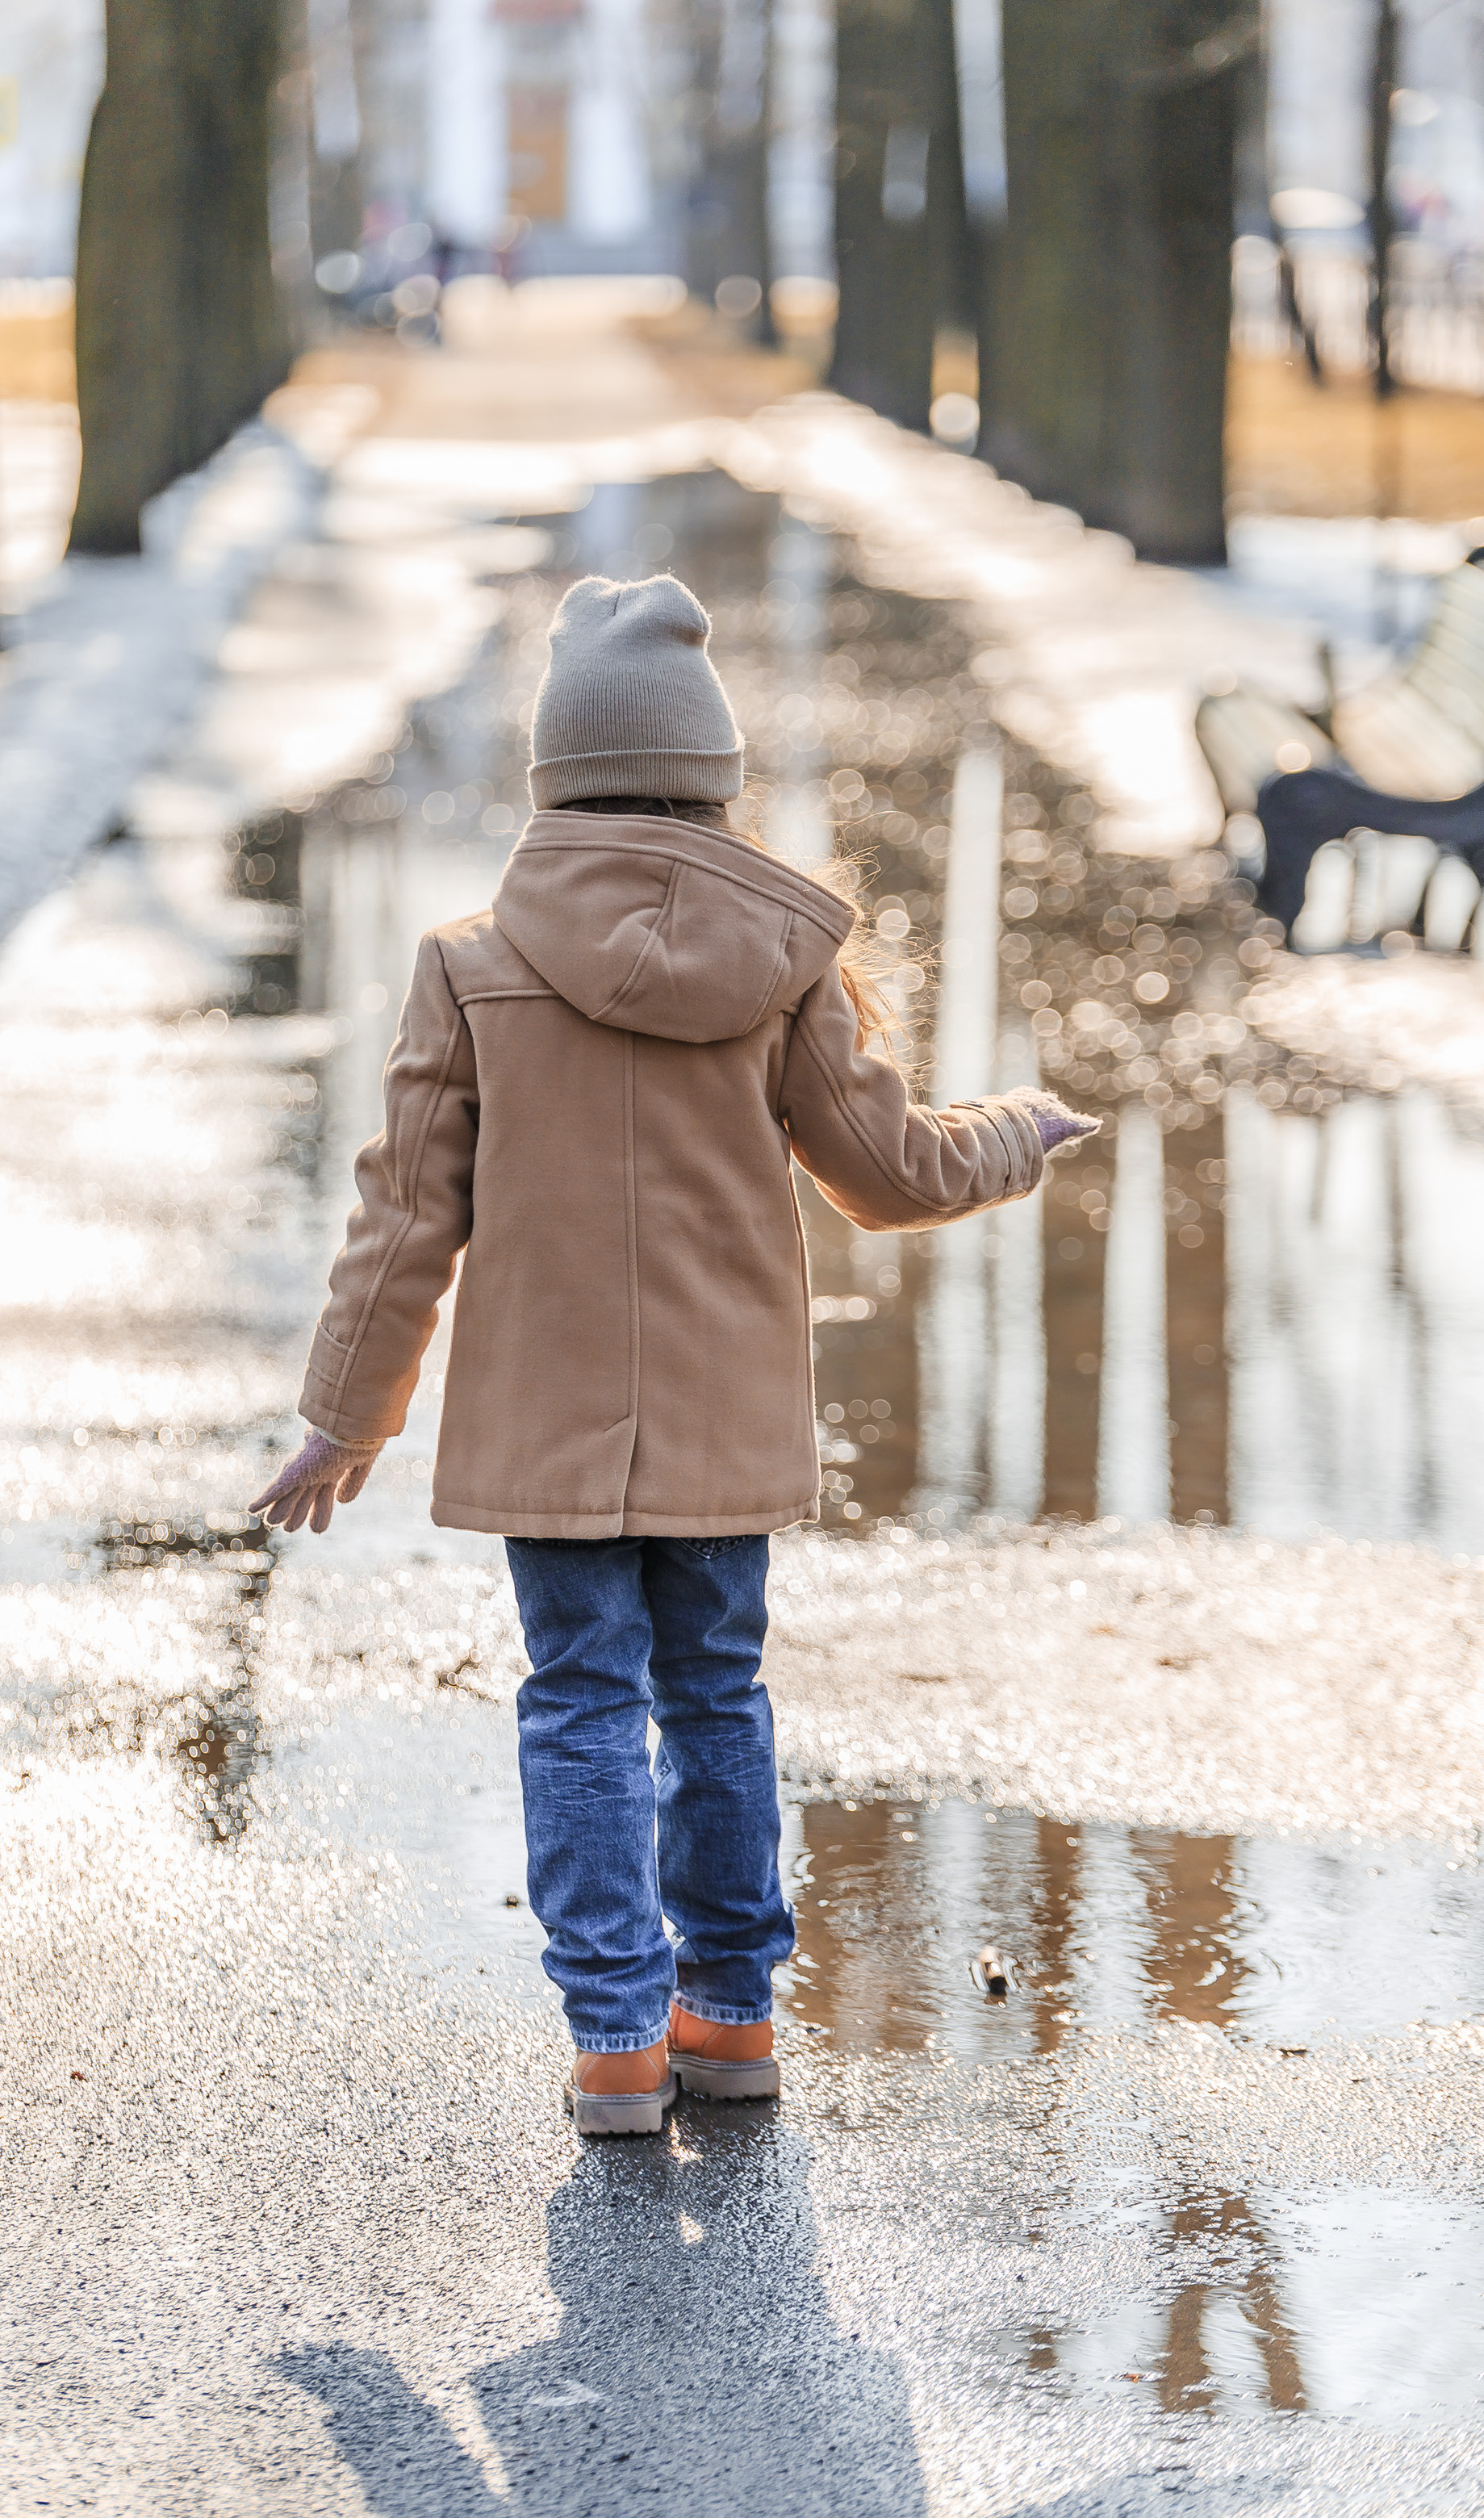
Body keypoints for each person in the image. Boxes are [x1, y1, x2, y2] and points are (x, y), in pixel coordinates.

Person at [251, 574, 1097, 2135]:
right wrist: (1015, 1137)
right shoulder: (785, 959)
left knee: (579, 1698)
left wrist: (343, 1416)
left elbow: (403, 1218)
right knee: (715, 1695)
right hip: (720, 1412)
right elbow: (890, 1170)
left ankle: (615, 2044)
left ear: (554, 771)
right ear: (714, 771)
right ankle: (729, 2017)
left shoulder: (472, 964)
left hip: (546, 1418)